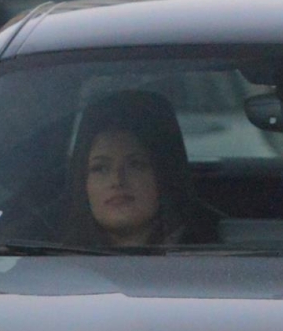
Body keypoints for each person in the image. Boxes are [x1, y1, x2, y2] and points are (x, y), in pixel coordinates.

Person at [63, 90, 213, 248]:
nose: (117, 180)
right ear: (83, 182)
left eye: (135, 165)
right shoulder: (50, 262)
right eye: (100, 168)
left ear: (164, 173)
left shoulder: (216, 257)